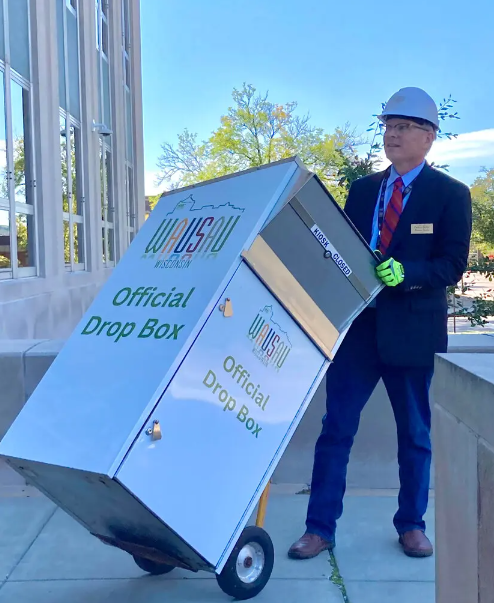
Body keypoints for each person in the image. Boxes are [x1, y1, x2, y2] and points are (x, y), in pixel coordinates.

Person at [288, 87, 472, 560]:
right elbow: (342, 251)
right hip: (359, 332)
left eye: (404, 126)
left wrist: (406, 274)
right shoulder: (365, 190)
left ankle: (412, 524)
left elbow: (451, 264)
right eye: (389, 125)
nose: (392, 133)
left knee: (414, 433)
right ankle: (319, 527)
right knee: (336, 429)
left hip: (411, 331)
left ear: (429, 137)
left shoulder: (450, 195)